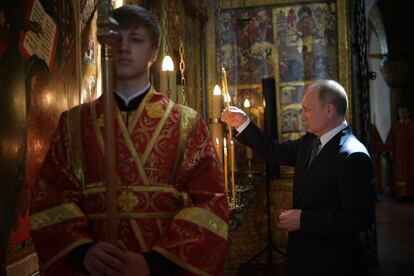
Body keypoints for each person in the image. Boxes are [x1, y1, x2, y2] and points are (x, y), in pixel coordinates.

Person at [30, 5, 228, 276]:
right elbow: (50, 198)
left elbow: (210, 202)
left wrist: (154, 262)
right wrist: (83, 251)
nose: (124, 47)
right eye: (116, 38)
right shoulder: (74, 123)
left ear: (153, 50)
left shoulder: (186, 123)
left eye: (136, 39)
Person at [221, 79, 375, 275]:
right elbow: (276, 151)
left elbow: (359, 218)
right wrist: (243, 124)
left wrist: (304, 219)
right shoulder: (312, 140)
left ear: (329, 110)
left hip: (333, 262)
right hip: (303, 257)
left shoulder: (353, 155)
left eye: (307, 110)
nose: (302, 117)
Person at [386, 106, 414, 198]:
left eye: (404, 112)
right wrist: (390, 151)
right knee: (400, 174)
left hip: (411, 156)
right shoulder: (395, 126)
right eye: (400, 113)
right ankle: (401, 195)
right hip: (399, 157)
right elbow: (390, 141)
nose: (402, 114)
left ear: (408, 113)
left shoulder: (412, 125)